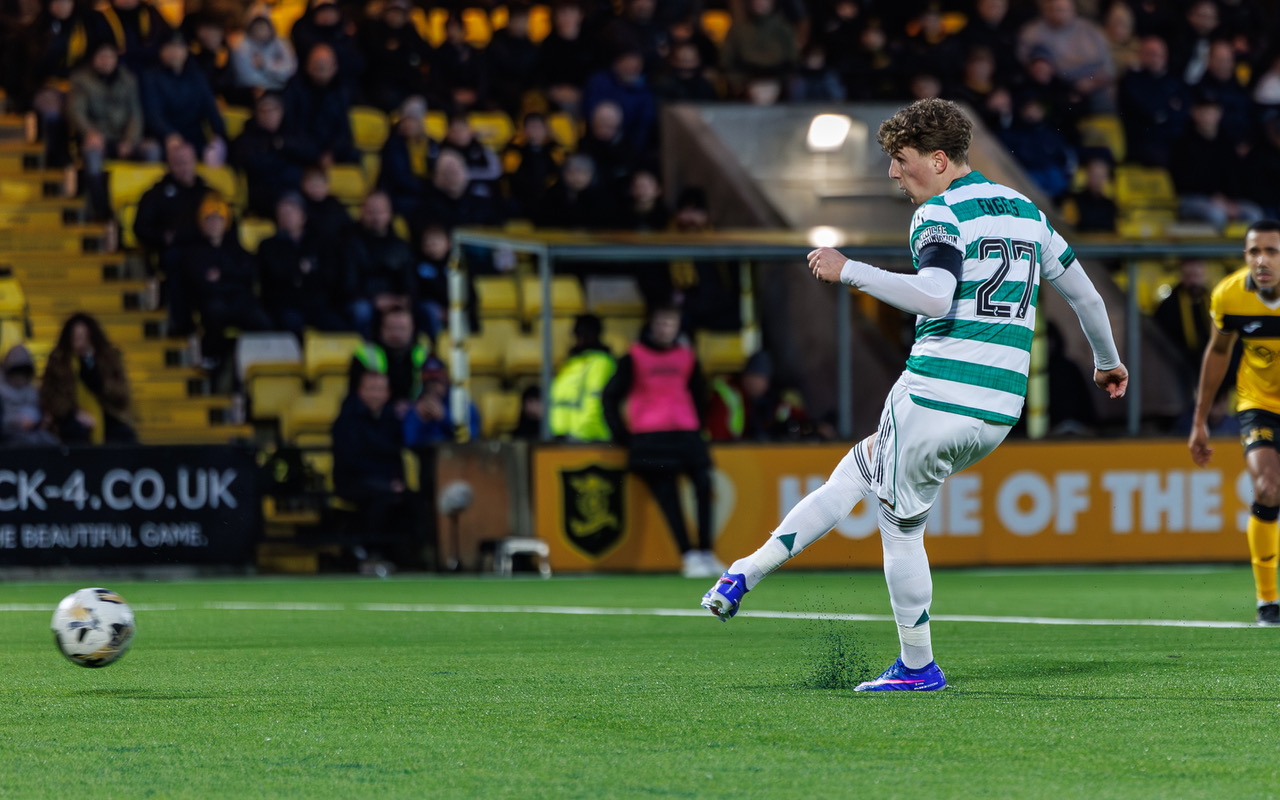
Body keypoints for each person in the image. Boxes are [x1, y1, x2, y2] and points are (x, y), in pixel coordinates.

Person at [701, 98, 1128, 691]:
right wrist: (1107, 362)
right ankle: (742, 575)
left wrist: (849, 269)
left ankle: (918, 666)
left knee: (900, 527)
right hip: (1000, 409)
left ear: (938, 158)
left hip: (934, 395)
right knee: (854, 473)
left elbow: (933, 296)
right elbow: (1088, 299)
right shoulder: (1028, 213)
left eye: (901, 162)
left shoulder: (940, 213)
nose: (894, 175)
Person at [1189, 220, 1280, 626]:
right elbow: (1218, 353)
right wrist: (1200, 421)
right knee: (1267, 486)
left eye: (1272, 252)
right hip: (1257, 401)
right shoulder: (1229, 295)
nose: (1262, 261)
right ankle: (1268, 601)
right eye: (1253, 252)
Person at [602, 305, 722, 579]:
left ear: (678, 327)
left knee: (704, 486)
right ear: (651, 325)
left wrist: (696, 423)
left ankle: (705, 551)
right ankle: (688, 555)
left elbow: (700, 394)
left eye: (670, 323)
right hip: (650, 438)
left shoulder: (687, 357)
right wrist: (622, 435)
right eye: (660, 322)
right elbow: (610, 396)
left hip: (686, 434)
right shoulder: (633, 357)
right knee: (669, 498)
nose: (665, 328)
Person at [331, 366, 410, 572]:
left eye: (380, 389)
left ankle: (407, 557)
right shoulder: (347, 420)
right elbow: (349, 459)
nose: (375, 394)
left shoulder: (392, 420)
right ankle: (371, 554)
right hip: (352, 480)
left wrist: (397, 479)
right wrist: (386, 482)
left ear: (388, 393)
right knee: (381, 495)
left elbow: (396, 457)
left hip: (384, 481)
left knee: (412, 497)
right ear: (360, 391)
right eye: (371, 388)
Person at [257, 191, 346, 337]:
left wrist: (297, 271)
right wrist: (303, 269)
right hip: (284, 305)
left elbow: (329, 275)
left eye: (292, 212)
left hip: (317, 304)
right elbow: (275, 274)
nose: (287, 216)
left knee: (342, 330)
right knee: (290, 324)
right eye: (283, 212)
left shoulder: (319, 243)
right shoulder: (268, 245)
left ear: (303, 216)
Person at [39, 312, 137, 444]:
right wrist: (74, 414)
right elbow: (50, 396)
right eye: (76, 337)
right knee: (75, 432)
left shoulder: (108, 359)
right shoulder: (58, 362)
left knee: (124, 435)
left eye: (83, 336)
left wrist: (89, 365)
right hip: (68, 419)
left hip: (107, 415)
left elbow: (120, 395)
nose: (80, 341)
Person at [548, 313, 615, 442]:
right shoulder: (571, 363)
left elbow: (595, 402)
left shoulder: (601, 362)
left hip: (591, 439)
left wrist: (585, 435)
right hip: (562, 438)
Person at [402, 356, 480, 444]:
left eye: (437, 381)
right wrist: (419, 419)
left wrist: (444, 417)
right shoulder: (416, 409)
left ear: (447, 380)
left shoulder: (463, 406)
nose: (432, 387)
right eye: (428, 383)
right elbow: (409, 442)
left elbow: (472, 437)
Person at [0, 345, 59, 446]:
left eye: (23, 371)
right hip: (9, 435)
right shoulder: (2, 391)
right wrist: (18, 423)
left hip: (34, 431)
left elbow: (38, 412)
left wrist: (42, 421)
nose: (19, 376)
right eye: (16, 370)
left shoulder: (32, 390)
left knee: (54, 444)